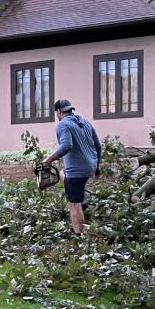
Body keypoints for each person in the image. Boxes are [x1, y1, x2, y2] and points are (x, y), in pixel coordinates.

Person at [41, 99, 101, 236]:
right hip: (90, 165)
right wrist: (97, 166)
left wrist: (48, 161)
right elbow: (98, 146)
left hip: (77, 170)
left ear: (59, 112)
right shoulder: (85, 122)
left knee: (73, 204)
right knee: (63, 173)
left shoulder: (63, 125)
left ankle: (78, 235)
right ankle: (80, 200)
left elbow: (66, 146)